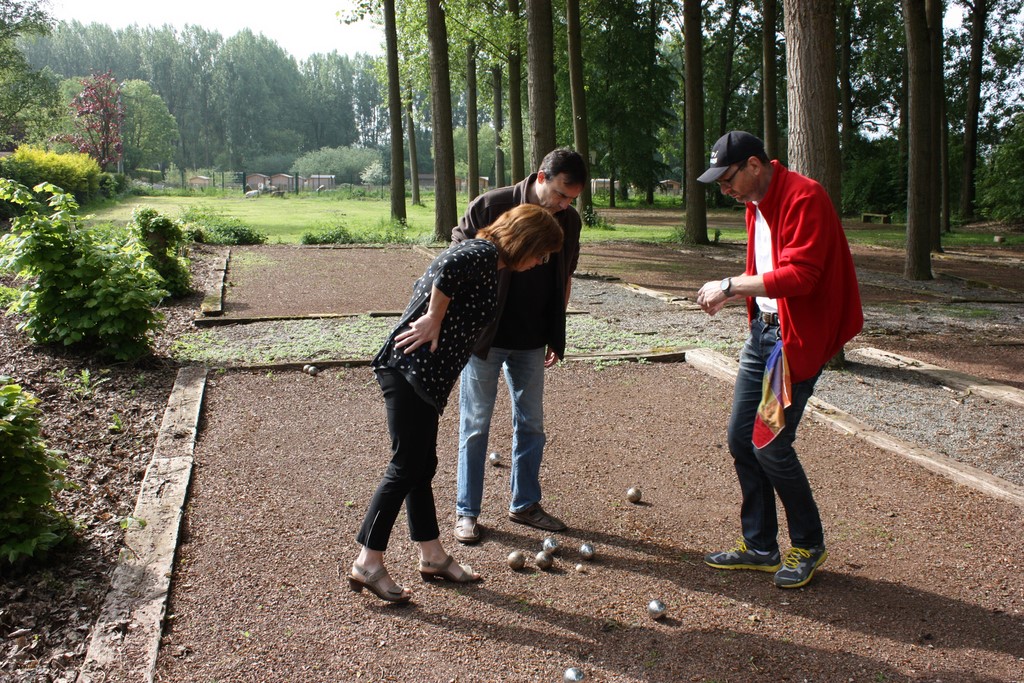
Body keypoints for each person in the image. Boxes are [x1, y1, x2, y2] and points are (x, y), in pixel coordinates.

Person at [348, 204, 564, 604]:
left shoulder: (490, 261)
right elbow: (447, 268)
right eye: (542, 253)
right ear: (527, 242)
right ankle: (368, 561)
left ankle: (432, 555)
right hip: (409, 370)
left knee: (421, 466)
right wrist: (433, 317)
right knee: (405, 466)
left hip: (424, 378)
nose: (541, 262)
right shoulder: (482, 252)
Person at [695, 130, 863, 589]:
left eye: (728, 179)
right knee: (740, 440)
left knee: (769, 444)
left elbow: (802, 276)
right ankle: (761, 546)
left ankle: (808, 544)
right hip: (763, 336)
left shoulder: (806, 197)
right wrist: (740, 295)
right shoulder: (755, 203)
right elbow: (767, 272)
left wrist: (730, 285)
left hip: (793, 341)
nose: (725, 190)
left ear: (754, 165)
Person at [450, 148, 588, 545]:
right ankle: (467, 513)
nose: (564, 205)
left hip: (531, 339)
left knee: (531, 425)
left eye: (572, 199)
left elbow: (565, 276)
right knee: (475, 425)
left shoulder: (569, 221)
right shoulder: (490, 206)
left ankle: (524, 504)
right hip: (485, 339)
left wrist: (555, 331)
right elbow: (454, 263)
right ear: (541, 178)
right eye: (560, 194)